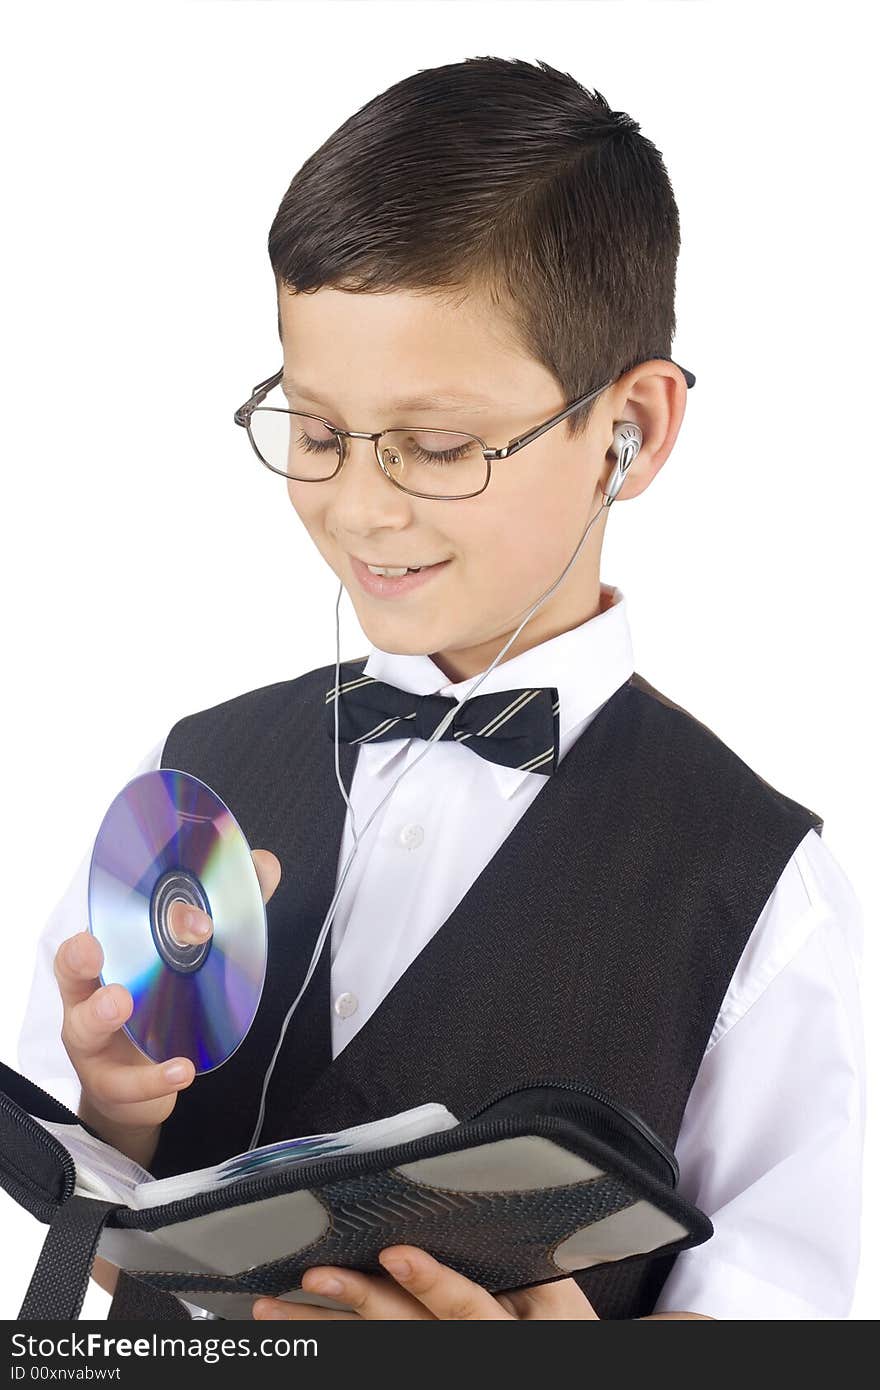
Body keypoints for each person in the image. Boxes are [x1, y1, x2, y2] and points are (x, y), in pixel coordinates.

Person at [17, 57, 864, 1321]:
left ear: (631, 427)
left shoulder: (758, 889)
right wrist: (113, 1122)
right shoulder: (194, 768)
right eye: (314, 432)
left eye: (437, 446)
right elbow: (73, 1234)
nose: (358, 506)